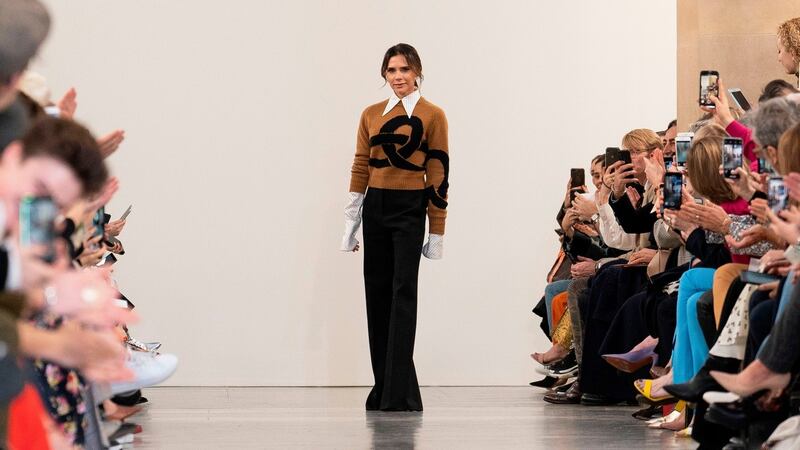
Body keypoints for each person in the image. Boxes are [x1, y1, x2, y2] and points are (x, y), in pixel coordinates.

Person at [341, 43, 449, 411]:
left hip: (410, 207)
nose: (398, 76)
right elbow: (361, 165)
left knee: (403, 294)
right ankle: (388, 387)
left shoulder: (433, 115)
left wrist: (437, 230)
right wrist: (350, 224)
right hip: (376, 206)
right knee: (377, 296)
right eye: (391, 70)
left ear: (417, 71)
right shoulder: (371, 114)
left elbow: (438, 171)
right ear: (384, 74)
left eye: (404, 69)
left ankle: (397, 392)